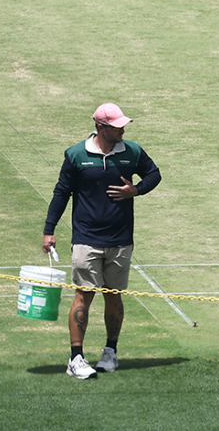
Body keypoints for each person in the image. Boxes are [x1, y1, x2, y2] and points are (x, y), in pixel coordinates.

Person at [42, 102, 162, 380]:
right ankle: (76, 358)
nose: (122, 129)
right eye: (116, 125)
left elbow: (154, 174)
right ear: (100, 126)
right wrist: (49, 230)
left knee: (114, 295)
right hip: (87, 238)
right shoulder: (75, 155)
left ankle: (110, 352)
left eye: (123, 125)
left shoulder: (131, 151)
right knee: (84, 294)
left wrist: (136, 190)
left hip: (121, 238)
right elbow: (61, 193)